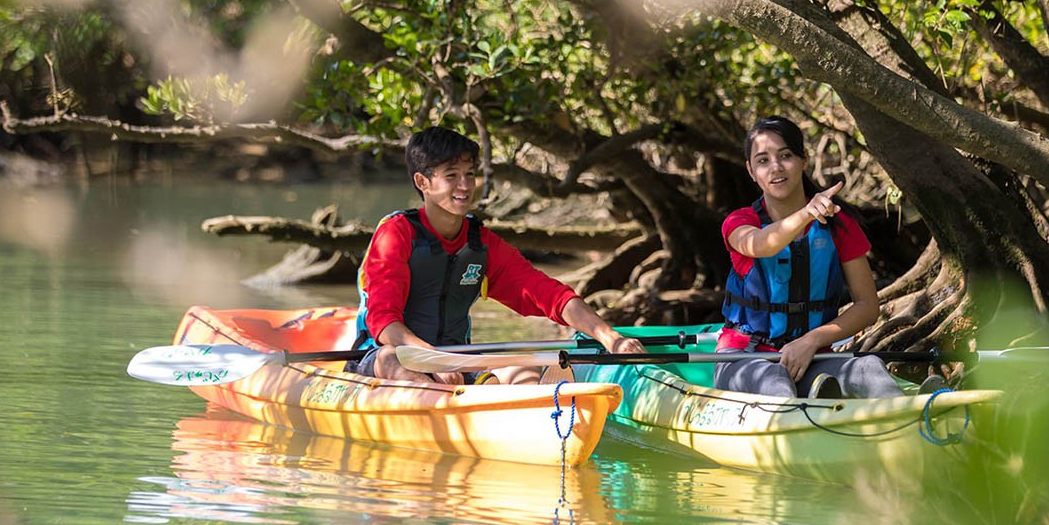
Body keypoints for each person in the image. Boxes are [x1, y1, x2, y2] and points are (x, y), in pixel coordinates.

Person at [349, 126, 645, 385]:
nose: (465, 186)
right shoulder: (396, 234)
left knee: (523, 372)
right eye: (451, 176)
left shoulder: (481, 244)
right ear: (423, 182)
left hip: (455, 359)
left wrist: (610, 337)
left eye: (469, 174)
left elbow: (549, 294)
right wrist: (430, 359)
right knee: (393, 361)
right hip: (390, 357)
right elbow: (384, 322)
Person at [715, 116, 905, 399]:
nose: (776, 167)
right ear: (751, 171)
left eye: (786, 155)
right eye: (763, 160)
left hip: (811, 356)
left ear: (804, 159)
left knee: (869, 368)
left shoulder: (839, 223)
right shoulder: (741, 222)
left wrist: (811, 341)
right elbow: (763, 244)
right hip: (744, 357)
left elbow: (867, 305)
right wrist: (807, 212)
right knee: (773, 378)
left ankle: (916, 423)